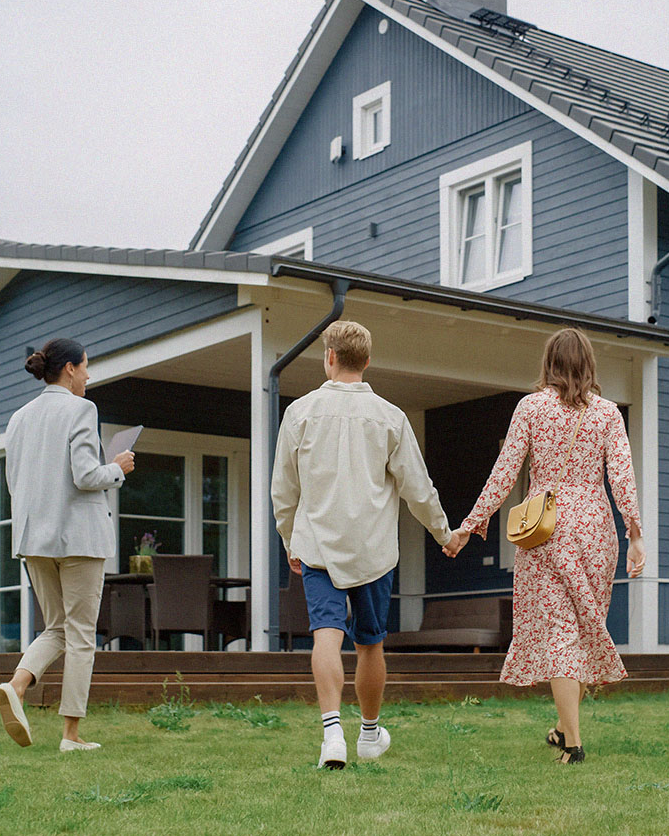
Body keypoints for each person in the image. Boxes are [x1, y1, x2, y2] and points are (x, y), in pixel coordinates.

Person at [444, 327, 645, 765]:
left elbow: (504, 472)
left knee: (561, 634)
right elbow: (623, 478)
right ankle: (563, 728)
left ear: (550, 363)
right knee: (582, 631)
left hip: (546, 528)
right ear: (588, 364)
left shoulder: (531, 408)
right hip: (596, 529)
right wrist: (635, 534)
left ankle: (573, 745)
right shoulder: (609, 414)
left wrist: (469, 526)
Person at [272, 320, 453, 770]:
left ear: (329, 356)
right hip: (373, 551)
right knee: (371, 645)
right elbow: (418, 488)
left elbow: (284, 490)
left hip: (317, 547)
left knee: (326, 637)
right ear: (367, 361)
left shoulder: (300, 413)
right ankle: (369, 735)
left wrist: (289, 537)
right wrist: (444, 534)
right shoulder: (391, 417)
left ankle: (332, 734)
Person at [0, 338, 135, 752]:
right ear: (69, 368)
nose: (89, 375)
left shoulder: (18, 417)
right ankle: (71, 736)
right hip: (78, 538)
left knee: (56, 627)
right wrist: (118, 467)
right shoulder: (81, 409)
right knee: (80, 635)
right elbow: (87, 475)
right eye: (87, 367)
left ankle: (16, 687)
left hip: (33, 538)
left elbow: (13, 480)